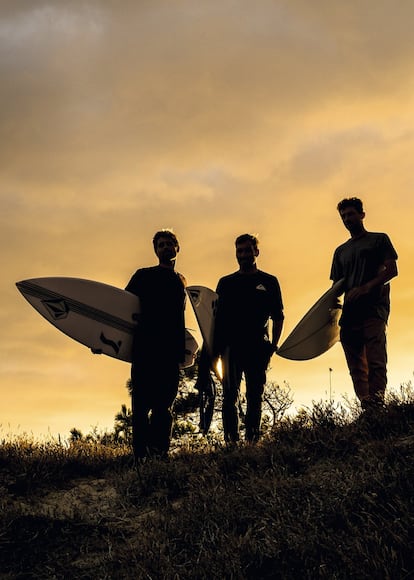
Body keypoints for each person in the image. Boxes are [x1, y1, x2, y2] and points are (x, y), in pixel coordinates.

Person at [213, 234, 284, 443]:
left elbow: (278, 316)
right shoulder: (226, 283)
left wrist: (273, 345)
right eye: (240, 251)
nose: (243, 255)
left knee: (255, 396)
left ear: (256, 252)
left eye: (247, 250)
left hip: (257, 347)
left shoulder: (269, 281)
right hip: (230, 347)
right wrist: (214, 351)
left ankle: (252, 440)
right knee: (229, 397)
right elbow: (216, 319)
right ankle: (231, 442)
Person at [330, 197, 398, 412]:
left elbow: (391, 270)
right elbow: (336, 286)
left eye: (351, 214)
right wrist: (327, 310)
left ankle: (378, 402)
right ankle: (367, 406)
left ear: (362, 214)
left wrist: (367, 287)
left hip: (374, 309)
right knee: (356, 365)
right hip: (350, 314)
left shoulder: (378, 240)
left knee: (376, 358)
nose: (347, 219)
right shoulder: (340, 251)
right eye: (343, 216)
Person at [125, 229, 187, 460]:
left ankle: (159, 455)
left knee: (163, 407)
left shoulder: (181, 281)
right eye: (161, 245)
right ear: (155, 250)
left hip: (170, 352)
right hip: (145, 349)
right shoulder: (143, 275)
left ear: (177, 248)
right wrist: (103, 338)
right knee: (140, 407)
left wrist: (183, 352)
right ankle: (140, 456)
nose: (165, 248)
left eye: (169, 244)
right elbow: (122, 308)